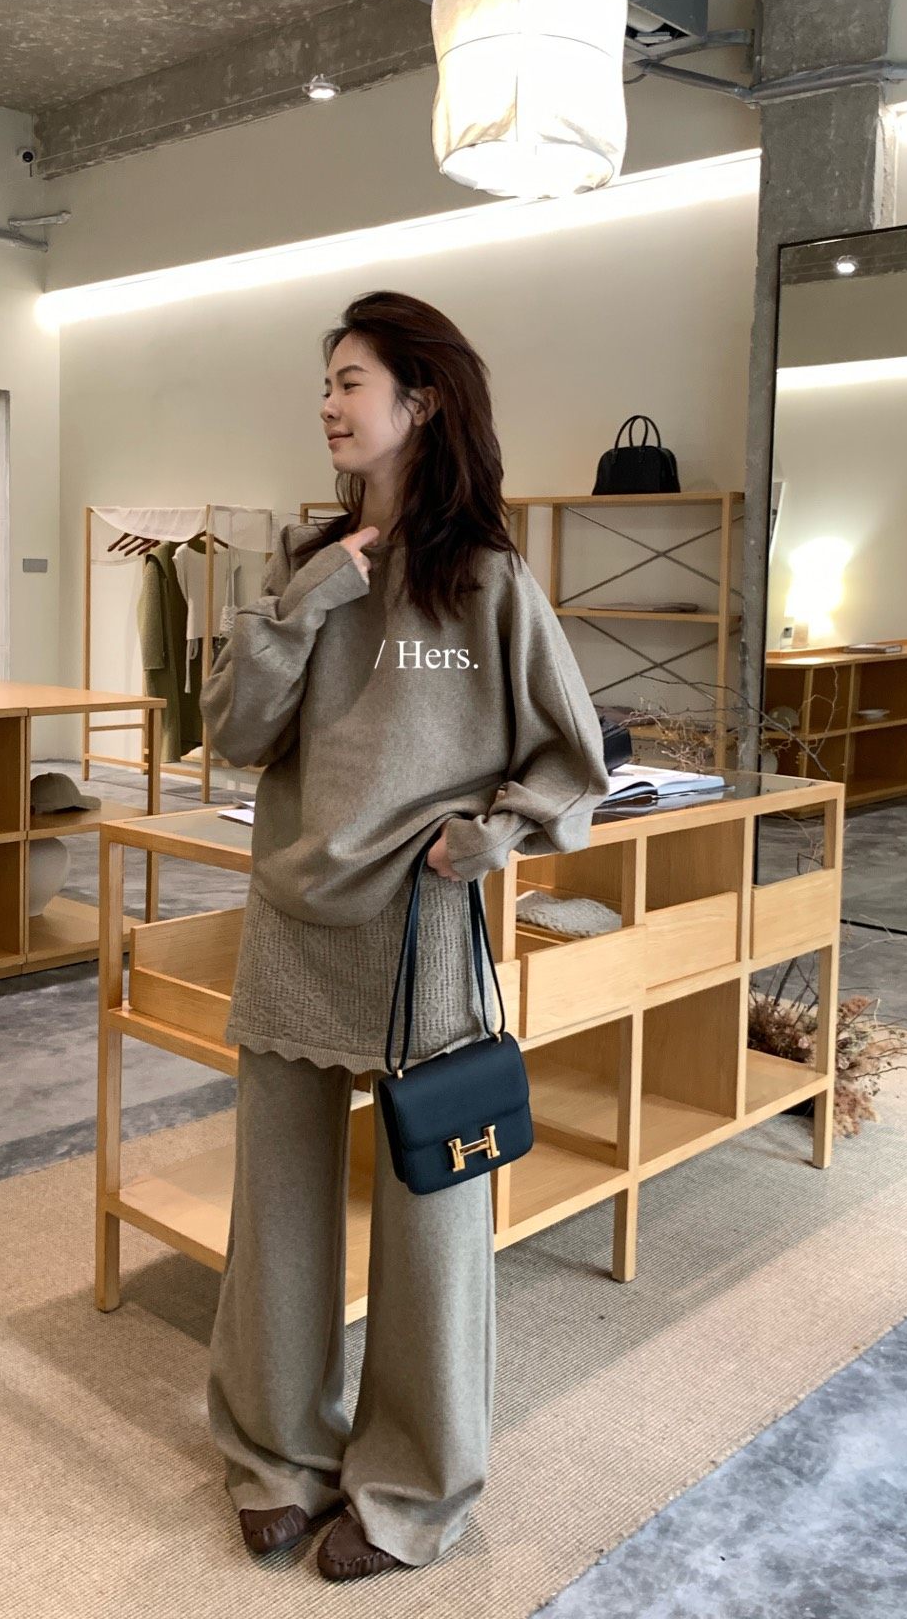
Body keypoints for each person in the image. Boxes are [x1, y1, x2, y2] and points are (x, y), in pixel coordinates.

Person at [200, 289, 611, 1580]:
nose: (329, 404)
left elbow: (573, 759)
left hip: (423, 924)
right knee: (277, 1204)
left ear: (419, 401)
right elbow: (233, 733)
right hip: (294, 917)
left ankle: (413, 1489)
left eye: (351, 381)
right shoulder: (305, 565)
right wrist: (314, 595)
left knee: (432, 1218)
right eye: (325, 383)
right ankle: (277, 1457)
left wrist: (500, 833)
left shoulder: (488, 578)